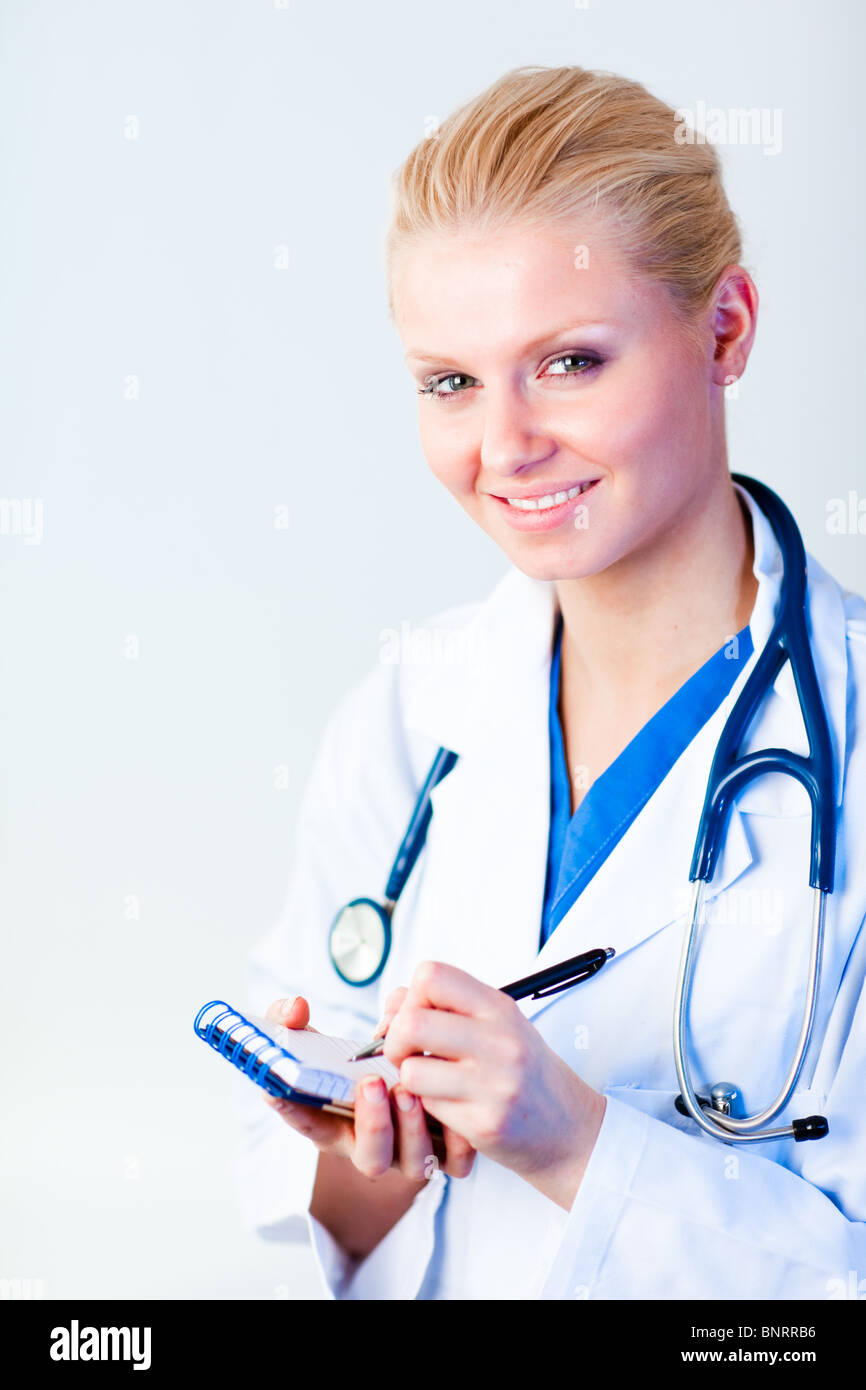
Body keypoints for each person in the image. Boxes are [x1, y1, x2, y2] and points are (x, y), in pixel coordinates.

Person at [237, 65, 866, 1300]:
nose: (504, 446)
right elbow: (308, 1203)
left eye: (569, 362)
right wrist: (366, 1144)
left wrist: (576, 1140)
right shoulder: (414, 713)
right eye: (450, 382)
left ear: (726, 328)